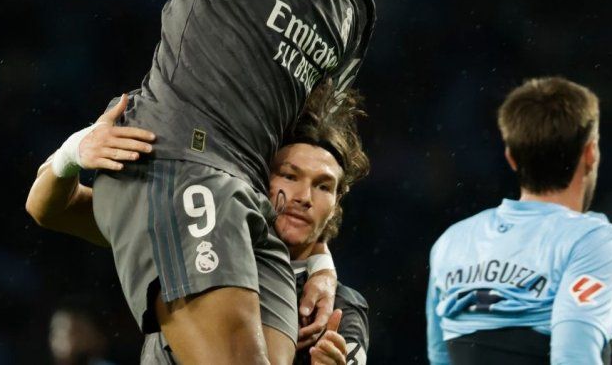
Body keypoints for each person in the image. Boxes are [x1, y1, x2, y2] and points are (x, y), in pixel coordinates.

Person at [85, 0, 431, 363]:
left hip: (249, 201)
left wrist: (319, 258)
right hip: (181, 160)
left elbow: (311, 138)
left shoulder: (356, 12)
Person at [28, 82, 371, 365]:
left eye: (323, 186)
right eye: (289, 175)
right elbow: (49, 209)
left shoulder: (336, 310)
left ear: (337, 202)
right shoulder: (191, 228)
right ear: (255, 175)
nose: (304, 196)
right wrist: (74, 151)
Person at [426, 77, 612, 365]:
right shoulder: (591, 240)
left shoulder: (452, 240)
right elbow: (573, 356)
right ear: (590, 152)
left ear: (511, 158)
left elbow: (440, 358)